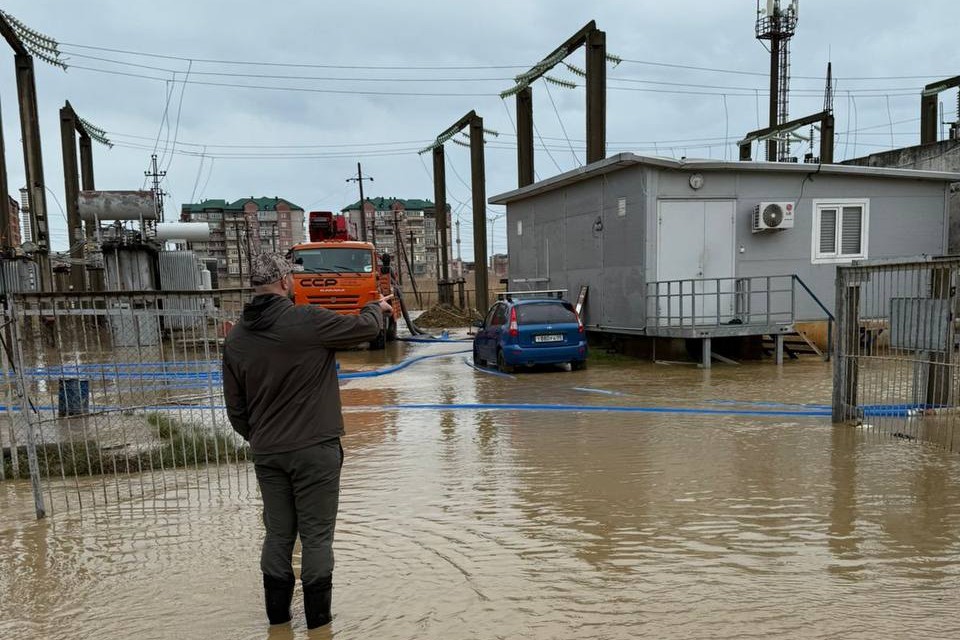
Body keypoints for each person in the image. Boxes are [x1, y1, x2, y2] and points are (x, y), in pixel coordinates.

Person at [222, 252, 392, 629]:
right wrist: (373, 306)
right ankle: (319, 626)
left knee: (278, 534)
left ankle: (278, 624)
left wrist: (261, 437)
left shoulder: (235, 337)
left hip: (268, 452)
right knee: (316, 538)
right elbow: (364, 330)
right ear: (285, 282)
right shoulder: (306, 320)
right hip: (315, 449)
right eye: (293, 278)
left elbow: (235, 409)